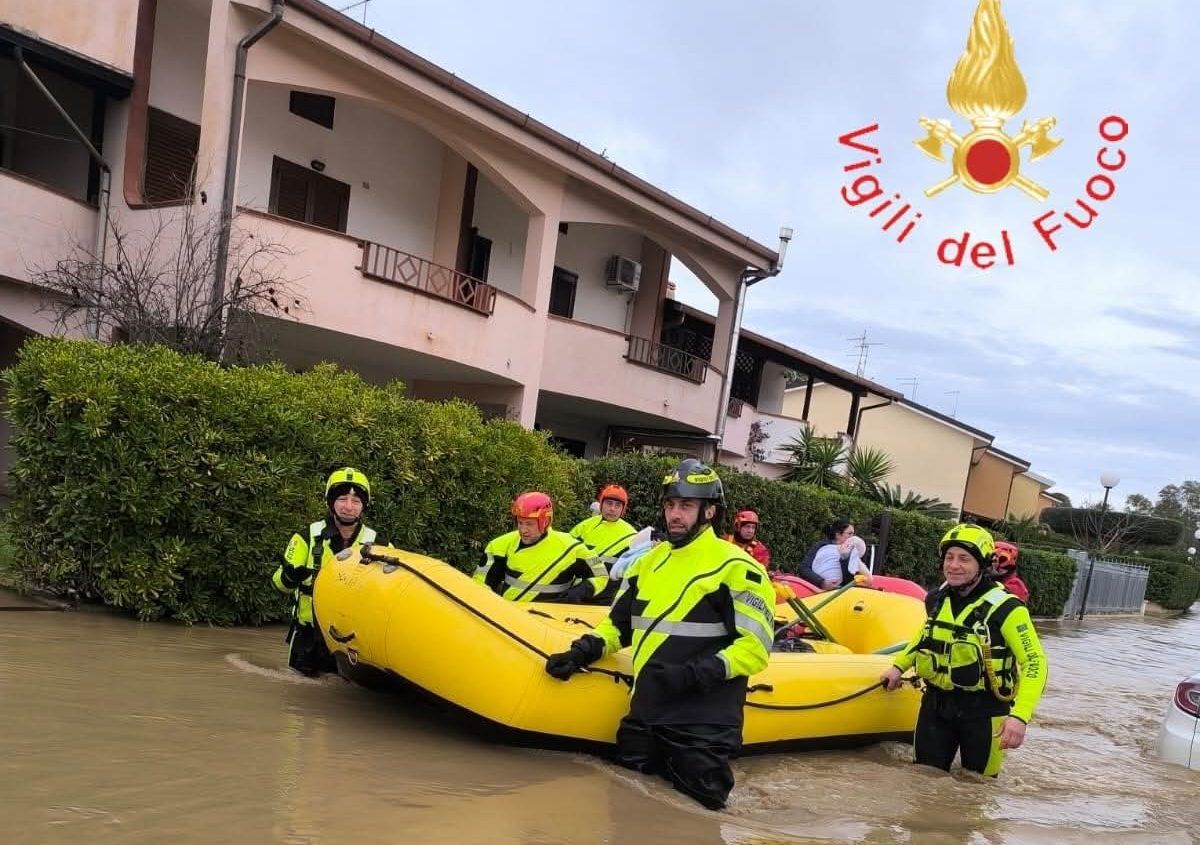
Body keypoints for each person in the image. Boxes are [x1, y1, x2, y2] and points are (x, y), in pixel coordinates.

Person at [543, 458, 776, 810]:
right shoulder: (645, 563)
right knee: (624, 812)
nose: (675, 515)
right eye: (670, 505)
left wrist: (692, 675)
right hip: (646, 713)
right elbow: (618, 627)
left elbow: (755, 649)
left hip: (703, 723)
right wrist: (582, 651)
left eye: (686, 505)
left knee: (698, 824)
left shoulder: (739, 569)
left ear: (709, 511)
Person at [880, 524, 1048, 777]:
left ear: (982, 565)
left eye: (964, 559)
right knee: (923, 780)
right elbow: (927, 635)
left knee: (977, 790)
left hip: (985, 712)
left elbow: (1035, 662)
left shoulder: (1008, 609)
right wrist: (899, 666)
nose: (954, 565)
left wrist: (1020, 717)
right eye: (949, 557)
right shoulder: (936, 599)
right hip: (936, 705)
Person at [272, 467, 380, 676]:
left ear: (364, 506)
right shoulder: (306, 537)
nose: (349, 507)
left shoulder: (379, 544)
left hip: (354, 644)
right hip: (307, 638)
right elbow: (278, 583)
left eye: (356, 501)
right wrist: (289, 577)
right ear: (331, 502)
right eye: (342, 499)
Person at [474, 491, 607, 603]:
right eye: (520, 523)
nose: (523, 530)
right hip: (510, 622)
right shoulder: (499, 546)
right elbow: (479, 587)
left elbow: (601, 575)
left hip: (550, 622)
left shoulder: (572, 548)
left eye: (529, 524)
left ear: (546, 521)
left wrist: (580, 592)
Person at [570, 484, 639, 599]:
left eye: (617, 505)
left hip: (607, 597)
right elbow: (566, 555)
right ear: (601, 504)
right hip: (577, 592)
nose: (612, 509)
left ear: (623, 509)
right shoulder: (584, 527)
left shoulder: (632, 535)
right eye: (609, 503)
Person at [809, 521, 868, 589]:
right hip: (816, 588)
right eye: (849, 534)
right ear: (838, 534)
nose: (853, 537)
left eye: (853, 534)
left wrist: (844, 558)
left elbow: (851, 579)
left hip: (841, 589)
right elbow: (804, 568)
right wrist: (821, 582)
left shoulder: (851, 550)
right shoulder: (821, 546)